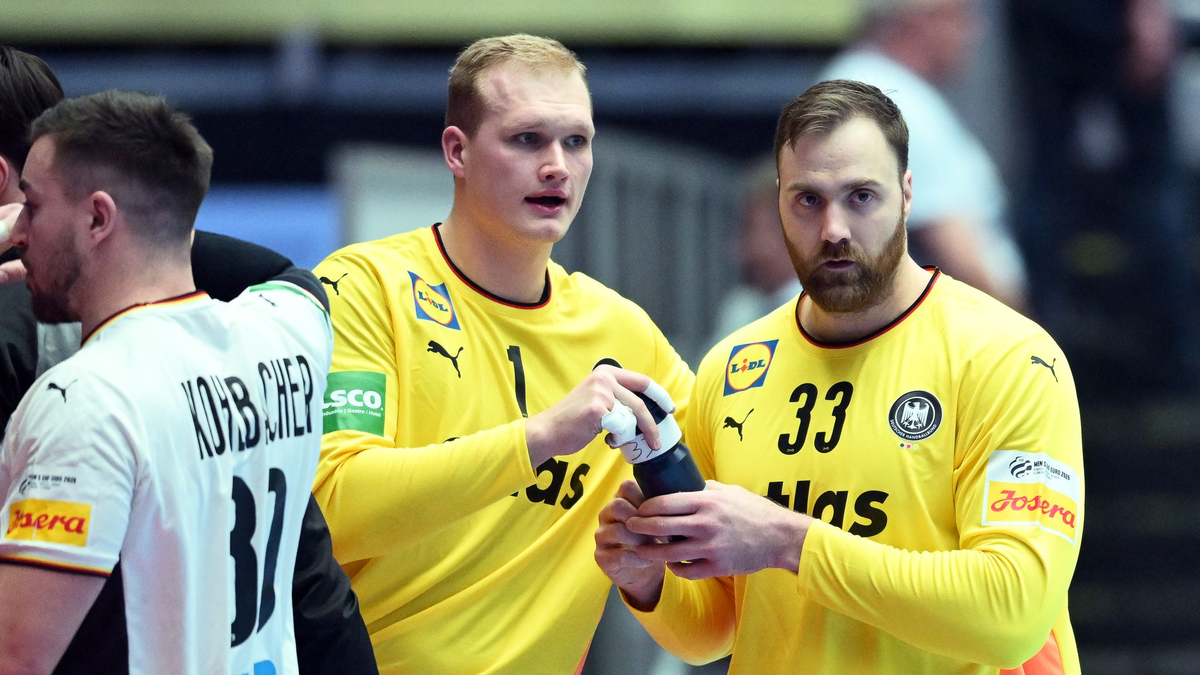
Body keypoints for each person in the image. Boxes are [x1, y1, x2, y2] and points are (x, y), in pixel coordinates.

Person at [595, 80, 1084, 674]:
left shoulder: (1009, 358)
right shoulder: (734, 367)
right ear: (778, 202)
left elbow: (1012, 615)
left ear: (907, 195)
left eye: (861, 197)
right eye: (808, 200)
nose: (833, 228)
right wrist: (647, 580)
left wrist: (789, 542)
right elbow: (715, 628)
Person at [313, 34, 694, 674]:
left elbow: (707, 615)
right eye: (527, 140)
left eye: (576, 141)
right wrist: (540, 436)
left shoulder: (624, 333)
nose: (557, 167)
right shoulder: (363, 288)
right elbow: (333, 506)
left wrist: (647, 580)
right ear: (457, 152)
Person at [0, 47, 378, 675]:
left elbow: (16, 657)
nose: (18, 231)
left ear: (98, 217)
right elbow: (288, 279)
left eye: (31, 209)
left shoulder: (87, 398)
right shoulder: (287, 335)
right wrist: (155, 218)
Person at [821, 0, 1029, 313]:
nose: (973, 33)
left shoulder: (882, 85)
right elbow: (958, 258)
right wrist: (1024, 345)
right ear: (919, 19)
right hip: (941, 334)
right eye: (960, 16)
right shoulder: (883, 99)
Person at [708, 156, 802, 347]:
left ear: (789, 232)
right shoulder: (740, 310)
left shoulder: (830, 319)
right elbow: (706, 376)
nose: (737, 251)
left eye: (748, 228)